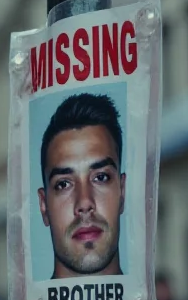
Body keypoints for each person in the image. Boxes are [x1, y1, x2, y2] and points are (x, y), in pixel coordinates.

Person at [38, 93, 126, 279]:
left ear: (122, 192)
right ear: (44, 206)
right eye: (63, 184)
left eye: (101, 177)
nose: (85, 202)